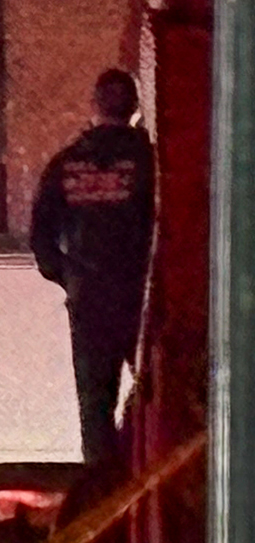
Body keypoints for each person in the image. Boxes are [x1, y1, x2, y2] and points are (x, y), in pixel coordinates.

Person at [30, 68, 157, 467]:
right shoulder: (150, 163)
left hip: (90, 303)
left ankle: (103, 499)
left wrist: (70, 276)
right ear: (136, 107)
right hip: (144, 300)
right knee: (159, 397)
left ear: (94, 106)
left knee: (95, 408)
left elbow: (41, 238)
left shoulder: (67, 164)